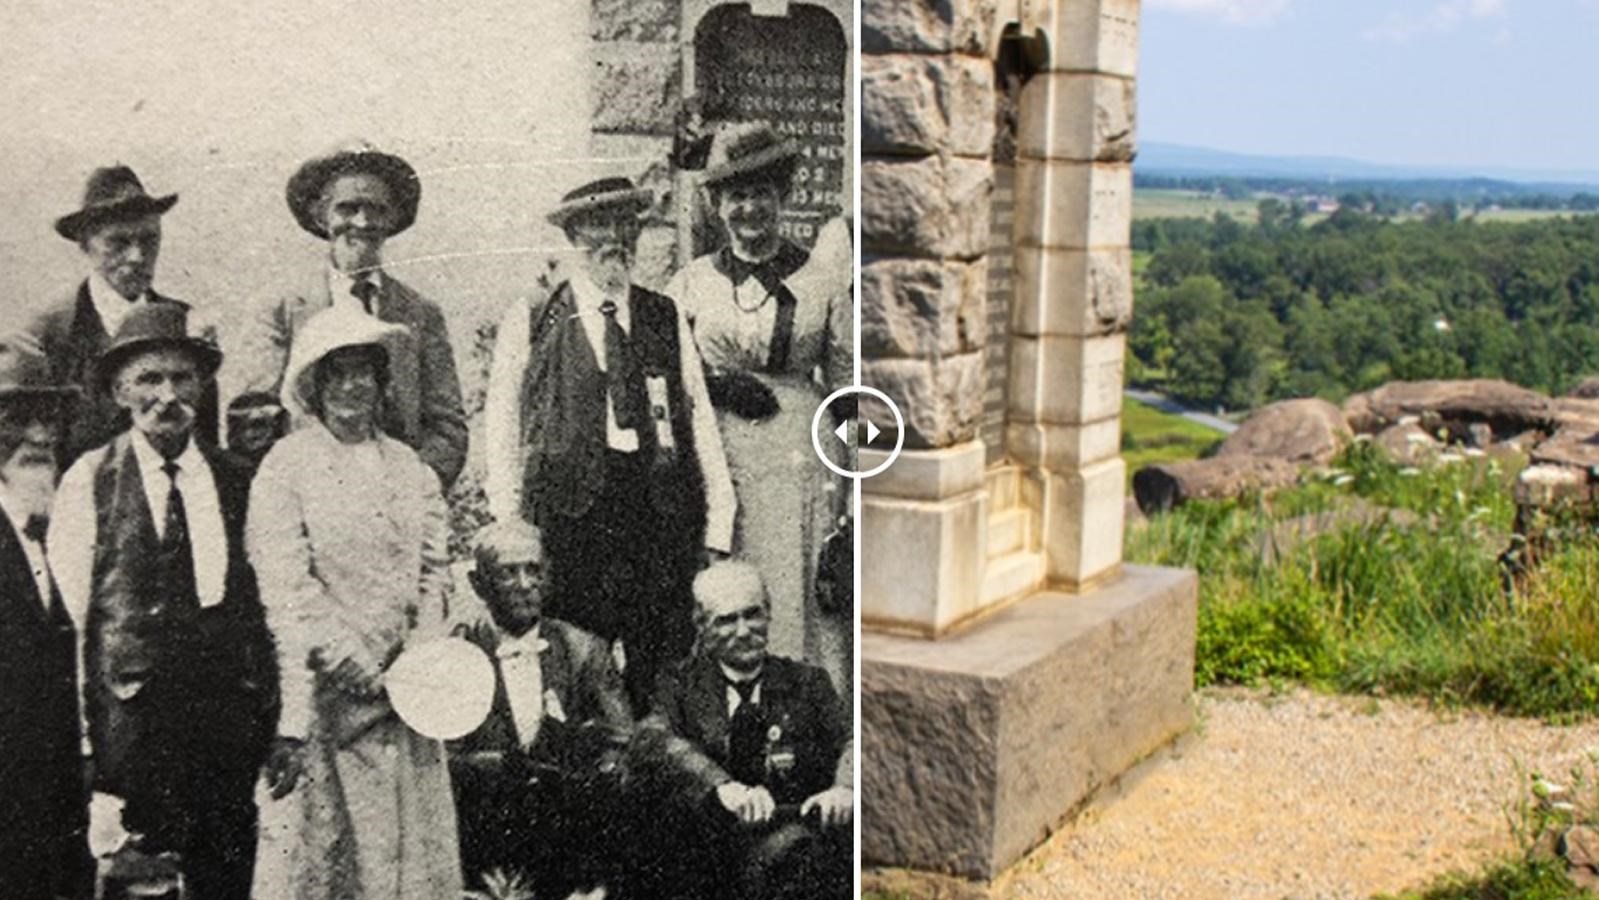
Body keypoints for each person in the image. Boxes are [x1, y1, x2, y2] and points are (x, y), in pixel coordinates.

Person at [47, 303, 278, 900]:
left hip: (225, 732)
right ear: (121, 390)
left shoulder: (237, 480)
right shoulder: (88, 480)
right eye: (150, 379)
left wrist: (276, 722)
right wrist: (83, 746)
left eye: (181, 378)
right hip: (131, 735)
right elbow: (68, 624)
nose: (167, 395)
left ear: (202, 386)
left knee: (226, 878)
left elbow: (266, 609)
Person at [483, 175, 736, 711]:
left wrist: (719, 519)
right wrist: (508, 519)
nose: (612, 237)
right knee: (575, 663)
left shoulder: (663, 315)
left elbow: (697, 415)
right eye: (597, 223)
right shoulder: (533, 315)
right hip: (571, 519)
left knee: (660, 663)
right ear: (573, 235)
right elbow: (502, 424)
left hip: (655, 513)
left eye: (625, 222)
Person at [247, 304, 461, 899]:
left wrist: (417, 656)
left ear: (382, 381)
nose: (351, 385)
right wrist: (352, 661)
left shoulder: (410, 469)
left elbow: (433, 571)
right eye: (336, 372)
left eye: (363, 370)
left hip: (406, 701)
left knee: (409, 858)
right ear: (313, 385)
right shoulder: (286, 469)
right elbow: (288, 586)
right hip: (329, 698)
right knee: (334, 860)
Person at [666, 123, 854, 695]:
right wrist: (718, 388)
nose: (749, 209)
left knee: (797, 587)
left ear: (782, 199)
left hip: (803, 454)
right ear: (719, 207)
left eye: (761, 195)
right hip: (722, 453)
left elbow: (847, 382)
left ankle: (809, 715)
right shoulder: (692, 283)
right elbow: (669, 373)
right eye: (736, 197)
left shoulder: (821, 281)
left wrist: (849, 496)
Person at [226, 140, 468, 488]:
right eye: (347, 208)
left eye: (377, 210)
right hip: (305, 496)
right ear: (321, 216)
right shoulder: (280, 308)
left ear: (394, 219)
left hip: (398, 500)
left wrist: (411, 486)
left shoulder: (420, 314)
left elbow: (448, 428)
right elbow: (252, 418)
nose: (363, 222)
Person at [635, 561, 852, 900]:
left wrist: (845, 787)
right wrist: (721, 786)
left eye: (752, 615)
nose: (743, 630)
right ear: (703, 627)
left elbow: (856, 740)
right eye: (727, 620)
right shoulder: (679, 686)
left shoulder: (808, 683)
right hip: (711, 867)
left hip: (797, 860)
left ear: (768, 615)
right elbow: (654, 739)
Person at [449, 520, 633, 896]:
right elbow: (441, 760)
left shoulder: (584, 650)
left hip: (567, 844)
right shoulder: (458, 654)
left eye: (534, 571)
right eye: (508, 573)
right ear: (478, 583)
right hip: (485, 848)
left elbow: (622, 744)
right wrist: (495, 768)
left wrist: (584, 772)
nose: (524, 584)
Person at [25, 165, 218, 468]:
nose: (137, 257)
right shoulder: (48, 335)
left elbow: (205, 447)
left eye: (149, 240)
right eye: (118, 243)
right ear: (85, 245)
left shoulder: (184, 324)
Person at [0, 336, 91, 900]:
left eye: (46, 416)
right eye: (13, 418)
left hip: (52, 805)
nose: (37, 434)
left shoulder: (50, 526)